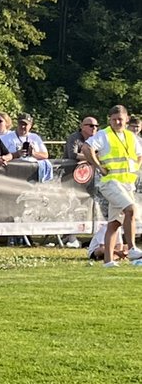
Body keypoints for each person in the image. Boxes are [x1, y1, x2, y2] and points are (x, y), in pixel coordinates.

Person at [81, 103, 142, 268]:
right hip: (110, 182)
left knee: (115, 222)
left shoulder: (131, 137)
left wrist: (135, 168)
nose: (117, 123)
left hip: (126, 184)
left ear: (127, 119)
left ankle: (108, 261)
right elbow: (87, 147)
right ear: (109, 120)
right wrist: (98, 166)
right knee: (131, 209)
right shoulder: (104, 134)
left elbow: (139, 155)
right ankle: (133, 248)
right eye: (114, 120)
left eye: (120, 119)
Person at [13, 113, 52, 181]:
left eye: (25, 124)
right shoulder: (7, 137)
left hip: (32, 172)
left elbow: (45, 155)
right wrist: (17, 154)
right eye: (21, 124)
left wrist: (33, 154)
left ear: (30, 126)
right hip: (15, 172)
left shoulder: (35, 137)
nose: (22, 126)